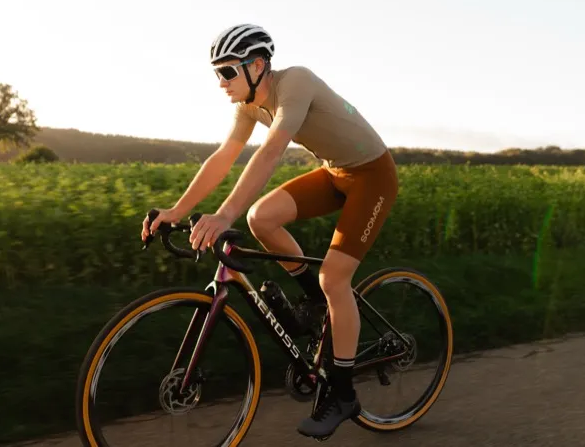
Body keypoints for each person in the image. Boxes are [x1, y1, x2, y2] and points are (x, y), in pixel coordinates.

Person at [141, 23, 399, 438]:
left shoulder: (296, 81)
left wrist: (222, 216)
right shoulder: (247, 105)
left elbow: (272, 151)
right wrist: (177, 210)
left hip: (372, 176)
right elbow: (225, 157)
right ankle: (317, 304)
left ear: (258, 65)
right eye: (216, 73)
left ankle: (345, 393)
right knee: (260, 218)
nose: (220, 82)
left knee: (334, 277)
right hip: (335, 173)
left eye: (227, 72)